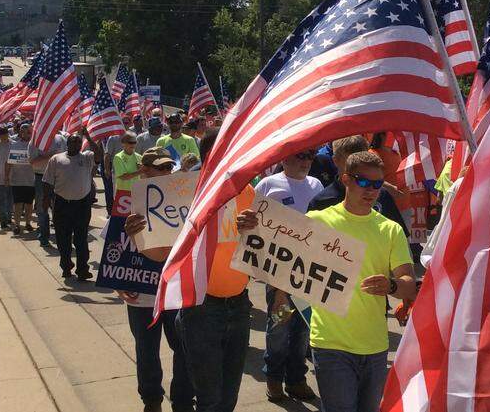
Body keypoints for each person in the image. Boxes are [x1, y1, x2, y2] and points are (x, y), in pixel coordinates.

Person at [245, 150, 414, 412]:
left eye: (378, 184)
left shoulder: (390, 229)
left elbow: (408, 283)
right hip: (329, 343)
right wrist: (250, 227)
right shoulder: (317, 220)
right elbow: (282, 259)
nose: (371, 190)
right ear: (346, 179)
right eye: (364, 182)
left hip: (376, 346)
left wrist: (391, 286)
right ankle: (276, 377)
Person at [175, 129, 254, 412]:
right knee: (209, 400)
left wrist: (256, 230)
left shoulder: (248, 192)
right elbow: (161, 246)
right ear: (207, 156)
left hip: (240, 305)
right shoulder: (184, 193)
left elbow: (261, 252)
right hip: (201, 308)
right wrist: (138, 234)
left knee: (228, 399)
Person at [121, 148, 195, 412]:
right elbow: (114, 249)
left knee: (184, 348)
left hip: (176, 291)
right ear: (144, 171)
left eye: (168, 168)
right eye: (159, 169)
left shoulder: (186, 202)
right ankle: (152, 399)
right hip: (142, 294)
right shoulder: (128, 204)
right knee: (146, 351)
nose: (165, 173)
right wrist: (120, 284)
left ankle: (183, 400)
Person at [253, 149, 324, 401]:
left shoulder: (316, 185)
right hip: (278, 274)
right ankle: (273, 378)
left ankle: (296, 379)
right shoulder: (268, 185)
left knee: (303, 330)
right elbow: (255, 227)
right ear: (284, 158)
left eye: (309, 157)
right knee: (279, 327)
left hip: (309, 274)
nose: (306, 162)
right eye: (300, 156)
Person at [306, 135, 409, 234]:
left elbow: (399, 236)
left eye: (362, 161)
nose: (357, 168)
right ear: (335, 160)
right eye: (350, 162)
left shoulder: (381, 196)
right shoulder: (321, 202)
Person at [42, 128, 103, 280]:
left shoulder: (87, 157)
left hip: (82, 205)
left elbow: (99, 155)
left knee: (81, 239)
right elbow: (48, 182)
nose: (75, 144)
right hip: (62, 204)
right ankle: (66, 266)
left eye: (78, 141)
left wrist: (88, 136)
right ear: (67, 143)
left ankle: (83, 270)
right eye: (73, 141)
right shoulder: (56, 159)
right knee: (63, 239)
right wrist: (45, 201)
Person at [30, 134, 61, 248]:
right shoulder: (35, 141)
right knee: (42, 209)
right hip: (41, 178)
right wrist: (51, 156)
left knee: (58, 209)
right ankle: (44, 236)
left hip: (58, 178)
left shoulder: (60, 139)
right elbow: (33, 161)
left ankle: (60, 237)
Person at [7, 124, 36, 235]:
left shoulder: (35, 145)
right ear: (20, 132)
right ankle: (17, 225)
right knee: (17, 204)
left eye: (28, 132)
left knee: (29, 204)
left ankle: (28, 223)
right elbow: (8, 162)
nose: (25, 134)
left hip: (31, 180)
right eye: (23, 132)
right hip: (17, 180)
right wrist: (6, 177)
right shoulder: (14, 145)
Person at [112, 132, 142, 196]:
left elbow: (143, 176)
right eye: (130, 142)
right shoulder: (118, 157)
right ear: (123, 143)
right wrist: (140, 171)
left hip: (137, 192)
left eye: (135, 142)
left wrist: (143, 172)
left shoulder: (139, 157)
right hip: (123, 193)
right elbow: (123, 177)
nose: (133, 145)